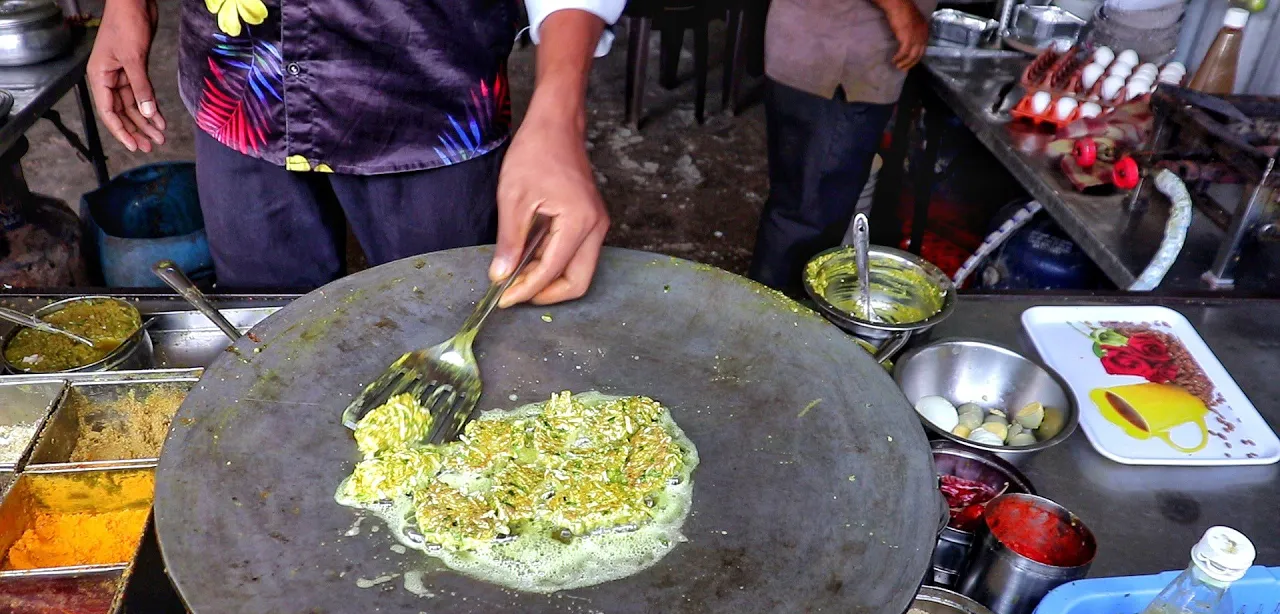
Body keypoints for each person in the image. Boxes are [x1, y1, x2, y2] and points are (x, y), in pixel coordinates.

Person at [87, 0, 622, 306]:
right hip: (242, 90)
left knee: (448, 321)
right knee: (268, 330)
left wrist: (560, 108)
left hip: (428, 97)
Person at [750, 0, 932, 294]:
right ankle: (771, 328)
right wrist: (901, 10)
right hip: (836, 64)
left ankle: (772, 321)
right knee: (806, 219)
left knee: (803, 210)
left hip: (832, 58)